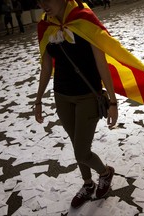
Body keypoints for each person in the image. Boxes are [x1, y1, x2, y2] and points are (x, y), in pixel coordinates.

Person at [35, 0, 118, 209]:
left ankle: (105, 173)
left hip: (87, 96)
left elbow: (102, 63)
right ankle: (88, 184)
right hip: (61, 96)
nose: (43, 4)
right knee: (76, 144)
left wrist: (114, 103)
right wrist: (38, 100)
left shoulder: (85, 19)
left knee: (81, 151)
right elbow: (46, 68)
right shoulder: (44, 26)